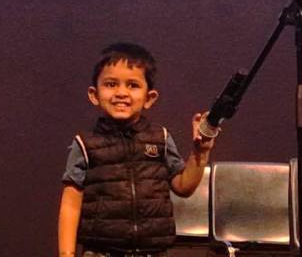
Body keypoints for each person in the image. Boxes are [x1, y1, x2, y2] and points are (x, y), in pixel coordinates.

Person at [58, 43, 216, 257]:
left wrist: (201, 151)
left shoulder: (160, 138)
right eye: (111, 84)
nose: (121, 93)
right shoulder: (85, 144)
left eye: (132, 85)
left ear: (149, 98)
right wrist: (66, 254)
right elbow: (71, 204)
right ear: (94, 94)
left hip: (152, 252)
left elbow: (183, 186)